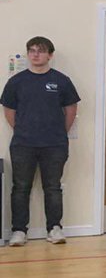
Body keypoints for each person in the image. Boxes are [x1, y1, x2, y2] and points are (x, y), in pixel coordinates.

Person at [1, 36, 81, 246]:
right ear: (28, 54)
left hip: (54, 144)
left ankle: (54, 228)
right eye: (32, 50)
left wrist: (58, 132)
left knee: (53, 187)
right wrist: (22, 130)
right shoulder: (16, 82)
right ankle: (19, 231)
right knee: (20, 188)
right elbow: (9, 110)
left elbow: (71, 109)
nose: (36, 54)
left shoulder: (62, 81)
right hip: (23, 144)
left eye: (41, 50)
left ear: (50, 55)